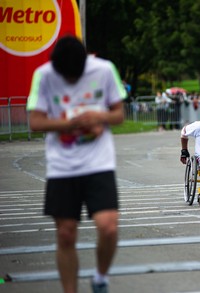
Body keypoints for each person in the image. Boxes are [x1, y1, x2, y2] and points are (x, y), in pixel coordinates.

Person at [26, 35, 126, 293]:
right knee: (66, 234)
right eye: (66, 77)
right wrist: (69, 124)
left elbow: (119, 114)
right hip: (62, 166)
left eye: (76, 76)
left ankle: (100, 277)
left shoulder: (104, 70)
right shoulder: (44, 75)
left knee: (109, 227)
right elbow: (35, 122)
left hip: (99, 163)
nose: (70, 81)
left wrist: (98, 116)